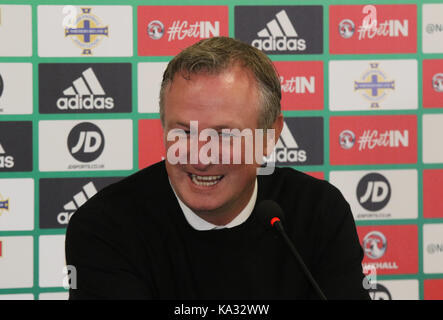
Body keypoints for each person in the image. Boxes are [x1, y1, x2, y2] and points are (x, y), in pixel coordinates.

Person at [65, 36, 370, 300]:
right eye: (183, 132)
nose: (200, 157)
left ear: (270, 135)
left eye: (224, 135)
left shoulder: (317, 211)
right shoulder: (106, 225)